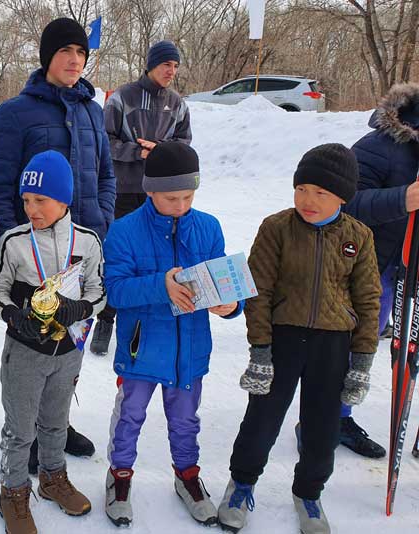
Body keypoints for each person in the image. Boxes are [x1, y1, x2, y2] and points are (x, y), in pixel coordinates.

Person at [217, 144, 381, 534]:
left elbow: (369, 300)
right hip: (283, 340)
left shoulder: (359, 237)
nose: (308, 200)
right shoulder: (277, 228)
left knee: (323, 429)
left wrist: (361, 363)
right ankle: (241, 483)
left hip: (333, 346)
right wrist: (260, 351)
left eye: (321, 193)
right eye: (302, 188)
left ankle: (309, 492)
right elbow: (259, 292)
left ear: (342, 196)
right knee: (261, 420)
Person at [0, 15, 116, 471]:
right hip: (32, 259)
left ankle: (55, 422)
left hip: (79, 251)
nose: (75, 60)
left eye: (81, 52)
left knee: (68, 344)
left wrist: (104, 221)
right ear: (47, 57)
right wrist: (8, 245)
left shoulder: (93, 111)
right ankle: (27, 432)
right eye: (65, 51)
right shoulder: (14, 114)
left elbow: (104, 176)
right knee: (31, 344)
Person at [103, 142, 243, 528]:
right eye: (170, 197)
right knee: (130, 416)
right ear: (149, 190)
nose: (180, 205)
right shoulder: (125, 230)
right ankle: (119, 476)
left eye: (188, 196)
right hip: (141, 350)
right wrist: (159, 286)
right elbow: (114, 290)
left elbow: (223, 284)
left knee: (185, 420)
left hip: (190, 351)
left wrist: (231, 306)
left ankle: (187, 476)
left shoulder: (208, 227)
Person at [0, 150, 106, 534]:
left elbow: (100, 291)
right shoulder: (14, 241)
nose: (31, 208)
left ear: (64, 200)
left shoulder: (87, 242)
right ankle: (13, 492)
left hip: (67, 352)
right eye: (25, 200)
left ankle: (53, 479)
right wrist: (11, 315)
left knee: (56, 423)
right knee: (20, 430)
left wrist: (82, 309)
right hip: (24, 353)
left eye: (40, 200)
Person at [91, 40, 192, 356]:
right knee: (121, 258)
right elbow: (104, 142)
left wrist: (162, 152)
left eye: (175, 66)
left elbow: (184, 145)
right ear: (151, 64)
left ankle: (144, 325)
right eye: (166, 65)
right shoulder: (122, 97)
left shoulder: (178, 105)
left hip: (160, 194)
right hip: (124, 190)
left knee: (156, 259)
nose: (171, 71)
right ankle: (106, 319)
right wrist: (137, 151)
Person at [337, 82, 419, 458]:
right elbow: (345, 201)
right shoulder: (379, 145)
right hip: (381, 267)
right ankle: (332, 418)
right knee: (357, 347)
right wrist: (404, 198)